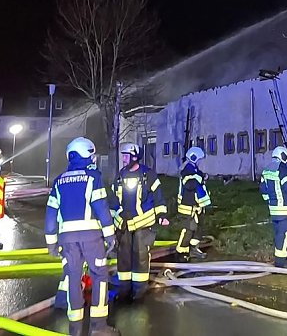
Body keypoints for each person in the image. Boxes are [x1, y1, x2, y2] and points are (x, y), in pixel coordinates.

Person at [45, 137, 119, 336]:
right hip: (91, 239)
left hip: (67, 241)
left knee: (73, 279)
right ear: (86, 154)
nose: (94, 158)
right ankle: (99, 327)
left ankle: (75, 329)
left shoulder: (58, 181)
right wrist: (110, 235)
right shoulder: (93, 178)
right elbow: (102, 208)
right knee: (100, 277)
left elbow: (51, 215)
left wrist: (51, 244)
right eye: (92, 154)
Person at [112, 143, 168, 302]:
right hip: (123, 226)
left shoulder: (148, 175)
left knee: (141, 258)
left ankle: (139, 292)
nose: (123, 159)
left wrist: (162, 214)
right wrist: (110, 219)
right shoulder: (120, 175)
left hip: (143, 225)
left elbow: (158, 197)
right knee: (123, 259)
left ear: (135, 157)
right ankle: (124, 290)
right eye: (122, 155)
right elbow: (114, 199)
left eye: (126, 155)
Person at [259, 146, 287, 268]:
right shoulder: (281, 168)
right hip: (285, 209)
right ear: (282, 155)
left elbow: (263, 189)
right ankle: (281, 262)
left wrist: (270, 202)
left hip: (274, 209)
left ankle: (279, 259)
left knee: (279, 235)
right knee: (286, 234)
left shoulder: (266, 169)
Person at [175, 146, 211, 260]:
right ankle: (181, 253)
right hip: (188, 207)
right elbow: (190, 185)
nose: (201, 162)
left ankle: (193, 249)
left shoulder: (194, 170)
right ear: (194, 158)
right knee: (188, 230)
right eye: (200, 160)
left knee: (199, 228)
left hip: (196, 207)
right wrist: (200, 178)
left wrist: (201, 176)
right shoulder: (188, 171)